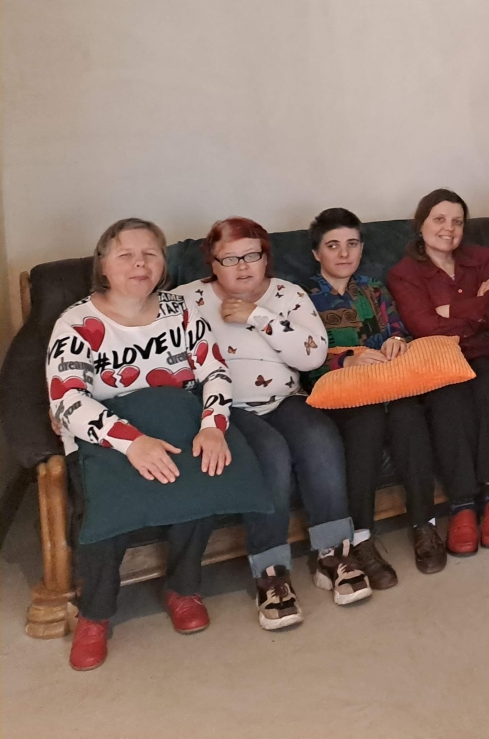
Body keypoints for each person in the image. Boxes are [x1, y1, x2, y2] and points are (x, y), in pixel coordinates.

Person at [48, 219, 232, 670]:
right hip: (107, 436)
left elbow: (215, 371)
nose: (140, 263)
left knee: (203, 476)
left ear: (163, 265)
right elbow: (66, 400)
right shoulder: (76, 322)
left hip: (175, 423)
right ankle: (95, 614)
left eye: (150, 254)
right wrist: (132, 443)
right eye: (125, 254)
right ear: (103, 266)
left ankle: (183, 588)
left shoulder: (182, 311)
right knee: (105, 506)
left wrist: (213, 426)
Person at [180, 217, 369, 631]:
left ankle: (334, 553)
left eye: (252, 255)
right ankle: (270, 573)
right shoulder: (185, 300)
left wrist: (258, 316)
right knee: (270, 453)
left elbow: (312, 355)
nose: (243, 266)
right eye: (229, 258)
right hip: (225, 409)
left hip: (284, 399)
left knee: (320, 437)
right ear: (213, 263)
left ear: (266, 258)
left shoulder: (288, 294)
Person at [306, 208, 466, 581]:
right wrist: (347, 360)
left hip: (388, 383)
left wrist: (397, 341)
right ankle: (361, 537)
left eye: (352, 244)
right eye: (333, 245)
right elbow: (302, 358)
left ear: (362, 248)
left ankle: (424, 523)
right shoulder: (303, 298)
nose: (344, 253)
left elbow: (398, 330)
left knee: (409, 414)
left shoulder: (373, 289)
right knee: (367, 421)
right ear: (317, 253)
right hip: (343, 393)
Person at [387, 189, 489, 549]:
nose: (449, 228)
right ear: (421, 224)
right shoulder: (404, 273)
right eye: (439, 219)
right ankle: (461, 504)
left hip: (484, 353)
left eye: (457, 222)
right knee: (449, 403)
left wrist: (450, 310)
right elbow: (425, 326)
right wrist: (477, 305)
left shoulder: (482, 257)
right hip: (439, 359)